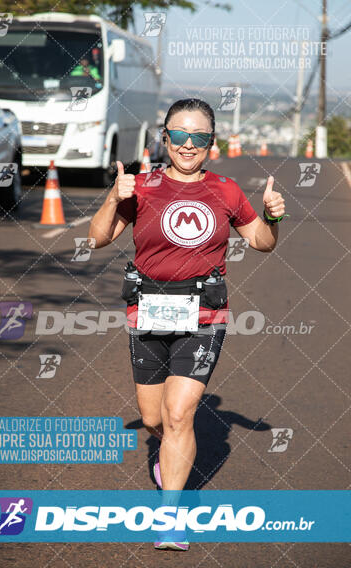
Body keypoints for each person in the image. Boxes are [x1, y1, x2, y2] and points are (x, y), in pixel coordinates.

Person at [88, 98, 287, 551]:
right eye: (179, 135)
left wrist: (273, 216)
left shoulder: (226, 190)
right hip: (147, 309)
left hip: (204, 313)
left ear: (211, 144)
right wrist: (112, 197)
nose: (188, 145)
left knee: (180, 414)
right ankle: (167, 459)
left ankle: (171, 515)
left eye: (199, 137)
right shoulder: (141, 186)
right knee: (155, 417)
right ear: (165, 137)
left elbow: (261, 242)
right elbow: (96, 239)